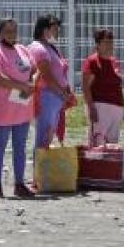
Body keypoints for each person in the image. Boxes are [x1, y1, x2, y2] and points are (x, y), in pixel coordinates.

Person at [0, 17, 35, 199]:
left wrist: (30, 83)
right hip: (3, 107)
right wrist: (21, 86)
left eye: (14, 30)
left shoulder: (22, 49)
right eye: (8, 31)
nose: (12, 34)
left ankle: (19, 183)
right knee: (0, 146)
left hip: (23, 106)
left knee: (20, 147)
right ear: (0, 33)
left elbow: (32, 69)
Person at [29, 14, 70, 150]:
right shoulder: (39, 48)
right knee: (43, 138)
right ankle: (39, 170)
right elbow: (46, 76)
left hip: (55, 97)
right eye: (54, 28)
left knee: (48, 138)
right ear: (44, 30)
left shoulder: (50, 47)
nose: (57, 31)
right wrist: (62, 92)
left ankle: (43, 169)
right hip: (46, 97)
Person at [82, 28, 124, 147]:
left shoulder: (114, 62)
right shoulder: (92, 61)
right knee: (98, 143)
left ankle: (108, 166)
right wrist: (91, 108)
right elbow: (86, 87)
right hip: (99, 108)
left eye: (111, 42)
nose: (110, 45)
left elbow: (119, 86)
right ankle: (95, 165)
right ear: (97, 44)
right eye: (106, 42)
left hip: (116, 108)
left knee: (112, 145)